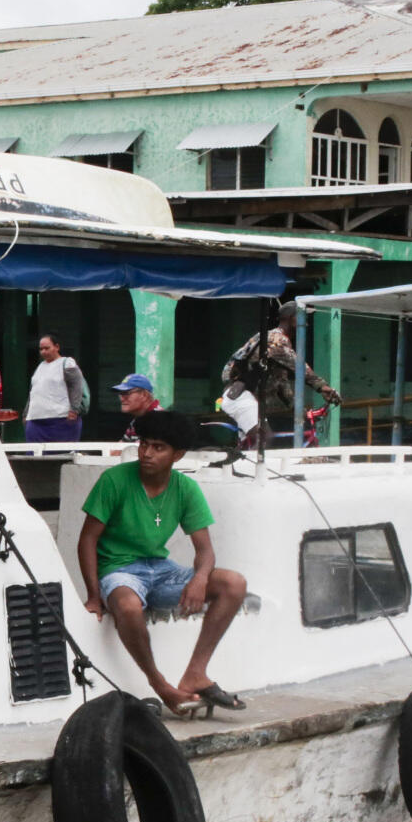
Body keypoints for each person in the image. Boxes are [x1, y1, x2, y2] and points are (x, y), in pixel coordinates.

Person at [77, 409, 249, 716]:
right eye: (144, 444)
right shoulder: (114, 480)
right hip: (119, 571)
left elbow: (205, 551)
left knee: (233, 583)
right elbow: (87, 539)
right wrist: (93, 595)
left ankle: (196, 673)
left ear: (177, 455)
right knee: (129, 606)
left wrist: (199, 579)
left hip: (161, 570)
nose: (147, 453)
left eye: (158, 447)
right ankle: (161, 686)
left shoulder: (186, 489)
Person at [223, 302, 341, 448]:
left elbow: (282, 384)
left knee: (253, 447)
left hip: (245, 399)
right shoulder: (275, 339)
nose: (307, 322)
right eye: (302, 316)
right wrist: (322, 387)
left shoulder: (277, 343)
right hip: (241, 396)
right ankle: (254, 470)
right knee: (264, 439)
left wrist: (301, 412)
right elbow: (299, 366)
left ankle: (241, 466)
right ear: (290, 318)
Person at [23, 335, 88, 443]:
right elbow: (33, 392)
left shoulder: (67, 363)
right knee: (34, 455)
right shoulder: (40, 367)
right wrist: (26, 413)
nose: (43, 352)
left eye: (47, 348)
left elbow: (76, 387)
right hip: (36, 420)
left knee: (62, 454)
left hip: (60, 418)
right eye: (41, 349)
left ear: (57, 347)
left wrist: (74, 410)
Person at [113, 372, 162, 440]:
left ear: (144, 395)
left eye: (126, 393)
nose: (122, 399)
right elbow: (118, 449)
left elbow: (147, 450)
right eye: (121, 394)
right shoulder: (139, 419)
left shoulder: (159, 420)